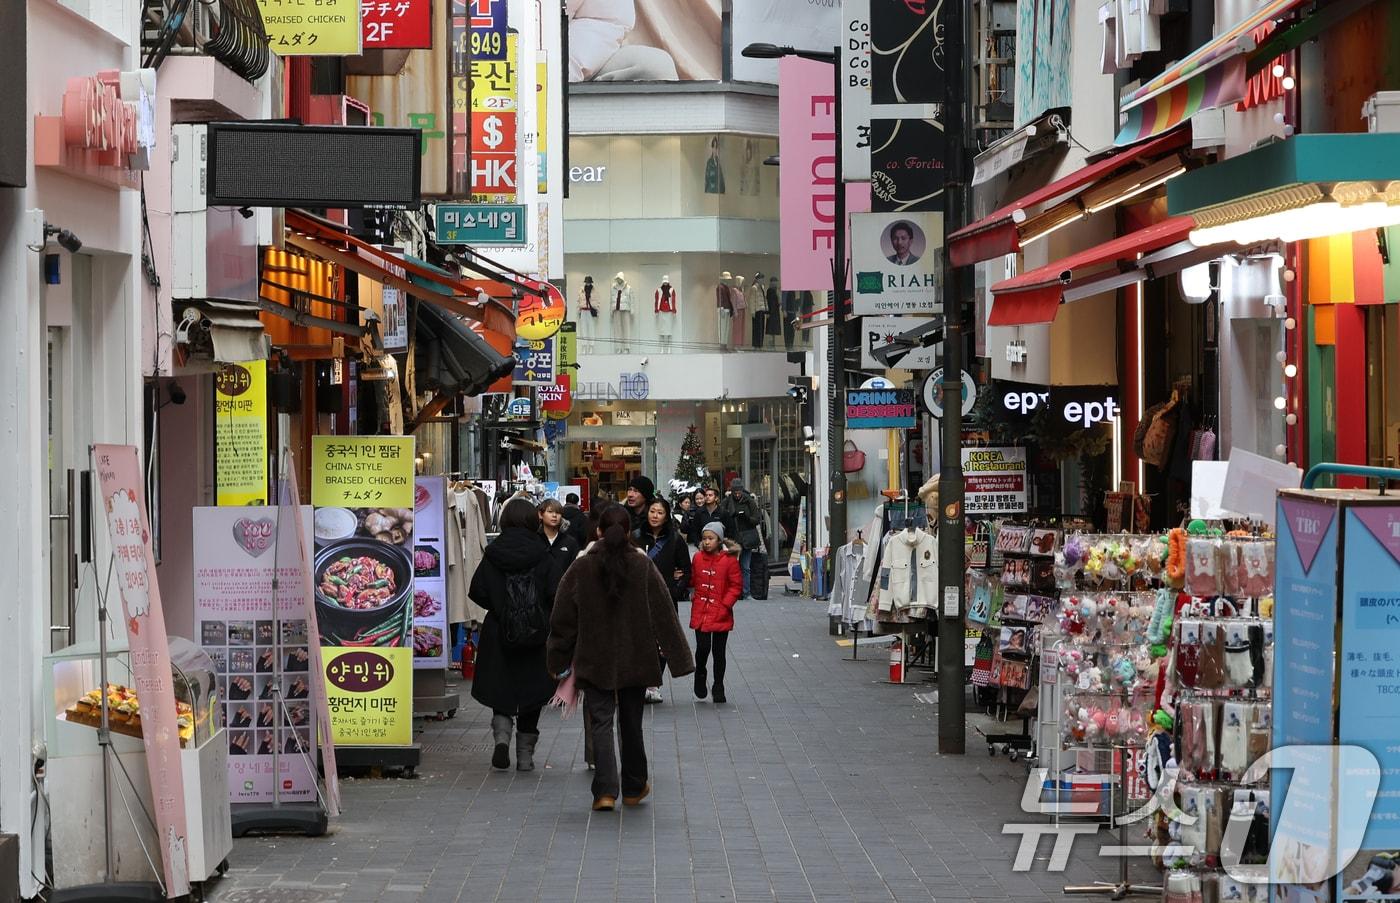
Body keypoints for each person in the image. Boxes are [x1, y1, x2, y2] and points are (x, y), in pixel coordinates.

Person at [548, 505, 694, 812]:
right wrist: (680, 659)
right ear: (629, 532)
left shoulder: (581, 566)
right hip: (636, 655)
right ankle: (633, 785)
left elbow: (562, 618)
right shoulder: (643, 566)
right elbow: (664, 613)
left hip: (593, 655)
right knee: (631, 722)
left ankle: (604, 791)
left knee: (600, 722)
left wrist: (557, 660)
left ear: (598, 531)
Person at [469, 498, 565, 773]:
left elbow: (478, 590)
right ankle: (525, 756)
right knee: (532, 692)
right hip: (536, 634)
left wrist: (501, 607)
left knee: (501, 687)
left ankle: (501, 738)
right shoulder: (542, 553)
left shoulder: (493, 553)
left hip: (499, 632)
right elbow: (555, 590)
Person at [634, 498, 691, 704]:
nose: (655, 516)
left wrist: (675, 591)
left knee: (663, 642)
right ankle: (641, 683)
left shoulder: (675, 540)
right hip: (638, 598)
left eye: (659, 512)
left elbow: (686, 570)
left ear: (666, 516)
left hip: (665, 599)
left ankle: (654, 684)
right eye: (652, 511)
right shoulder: (636, 537)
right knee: (640, 641)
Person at [689, 522, 742, 704]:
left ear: (719, 540)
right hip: (701, 611)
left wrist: (725, 605)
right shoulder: (697, 558)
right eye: (704, 539)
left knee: (719, 652)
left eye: (710, 539)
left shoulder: (729, 560)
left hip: (721, 612)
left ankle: (718, 685)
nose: (706, 542)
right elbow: (693, 579)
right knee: (702, 648)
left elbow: (736, 586)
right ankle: (700, 673)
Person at [718, 479, 764, 598]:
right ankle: (734, 592)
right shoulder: (727, 502)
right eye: (735, 492)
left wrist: (747, 517)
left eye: (739, 492)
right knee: (731, 567)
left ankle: (746, 592)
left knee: (745, 567)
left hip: (746, 538)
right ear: (732, 491)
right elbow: (721, 517)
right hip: (733, 539)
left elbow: (756, 519)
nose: (737, 494)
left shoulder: (749, 501)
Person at [538, 498, 579, 569]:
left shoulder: (570, 542)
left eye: (558, 512)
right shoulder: (534, 539)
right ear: (541, 514)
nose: (554, 515)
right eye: (550, 511)